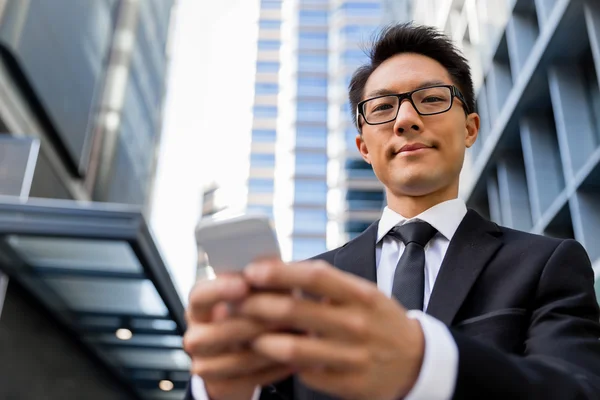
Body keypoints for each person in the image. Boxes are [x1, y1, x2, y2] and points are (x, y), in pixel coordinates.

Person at [183, 23, 600, 400]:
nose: (405, 119)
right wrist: (223, 389)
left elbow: (577, 390)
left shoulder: (546, 264)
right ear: (364, 147)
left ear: (470, 128)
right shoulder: (305, 291)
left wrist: (425, 362)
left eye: (431, 99)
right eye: (382, 108)